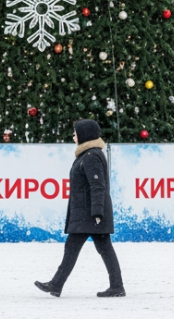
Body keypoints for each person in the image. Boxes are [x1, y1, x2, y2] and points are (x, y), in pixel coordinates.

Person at [35, 119, 124, 298]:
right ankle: (116, 286)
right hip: (87, 212)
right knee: (102, 248)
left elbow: (97, 185)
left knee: (75, 247)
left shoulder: (91, 156)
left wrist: (98, 212)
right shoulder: (87, 155)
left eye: (76, 133)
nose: (73, 136)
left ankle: (57, 284)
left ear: (84, 135)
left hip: (89, 213)